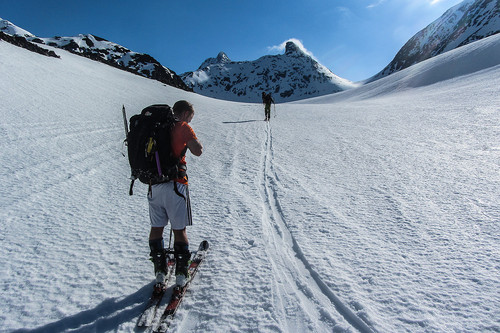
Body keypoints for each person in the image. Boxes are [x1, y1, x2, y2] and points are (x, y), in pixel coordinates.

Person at [148, 100, 203, 288]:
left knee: (157, 228)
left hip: (154, 185)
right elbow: (198, 151)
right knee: (179, 230)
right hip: (176, 185)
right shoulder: (183, 127)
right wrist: (191, 139)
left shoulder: (156, 127)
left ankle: (160, 271)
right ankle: (181, 273)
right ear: (186, 113)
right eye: (191, 116)